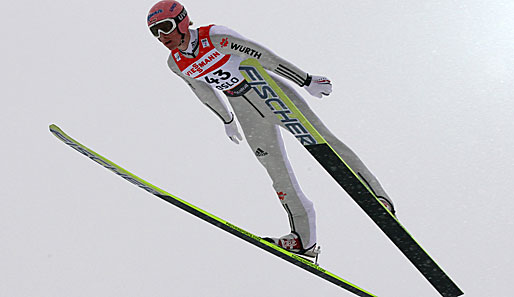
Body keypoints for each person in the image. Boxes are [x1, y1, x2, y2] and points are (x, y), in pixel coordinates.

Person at [147, 0, 395, 257]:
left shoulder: (216, 36)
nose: (162, 36)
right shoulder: (175, 63)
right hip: (243, 106)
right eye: (155, 32)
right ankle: (303, 239)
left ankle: (378, 197)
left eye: (165, 27)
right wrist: (227, 120)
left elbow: (265, 57)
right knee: (275, 169)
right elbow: (203, 91)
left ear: (183, 21)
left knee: (323, 142)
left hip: (267, 91)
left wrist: (305, 80)